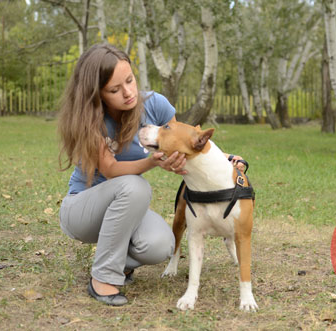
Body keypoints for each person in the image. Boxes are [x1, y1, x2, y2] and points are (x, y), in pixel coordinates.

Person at [57, 43, 245, 307]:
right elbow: (110, 170)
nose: (128, 92)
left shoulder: (155, 104)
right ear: (96, 94)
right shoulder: (90, 119)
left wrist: (227, 160)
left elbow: (183, 145)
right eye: (115, 89)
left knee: (161, 244)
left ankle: (117, 263)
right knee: (136, 187)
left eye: (130, 80)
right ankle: (103, 278)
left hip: (125, 209)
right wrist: (152, 163)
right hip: (83, 210)